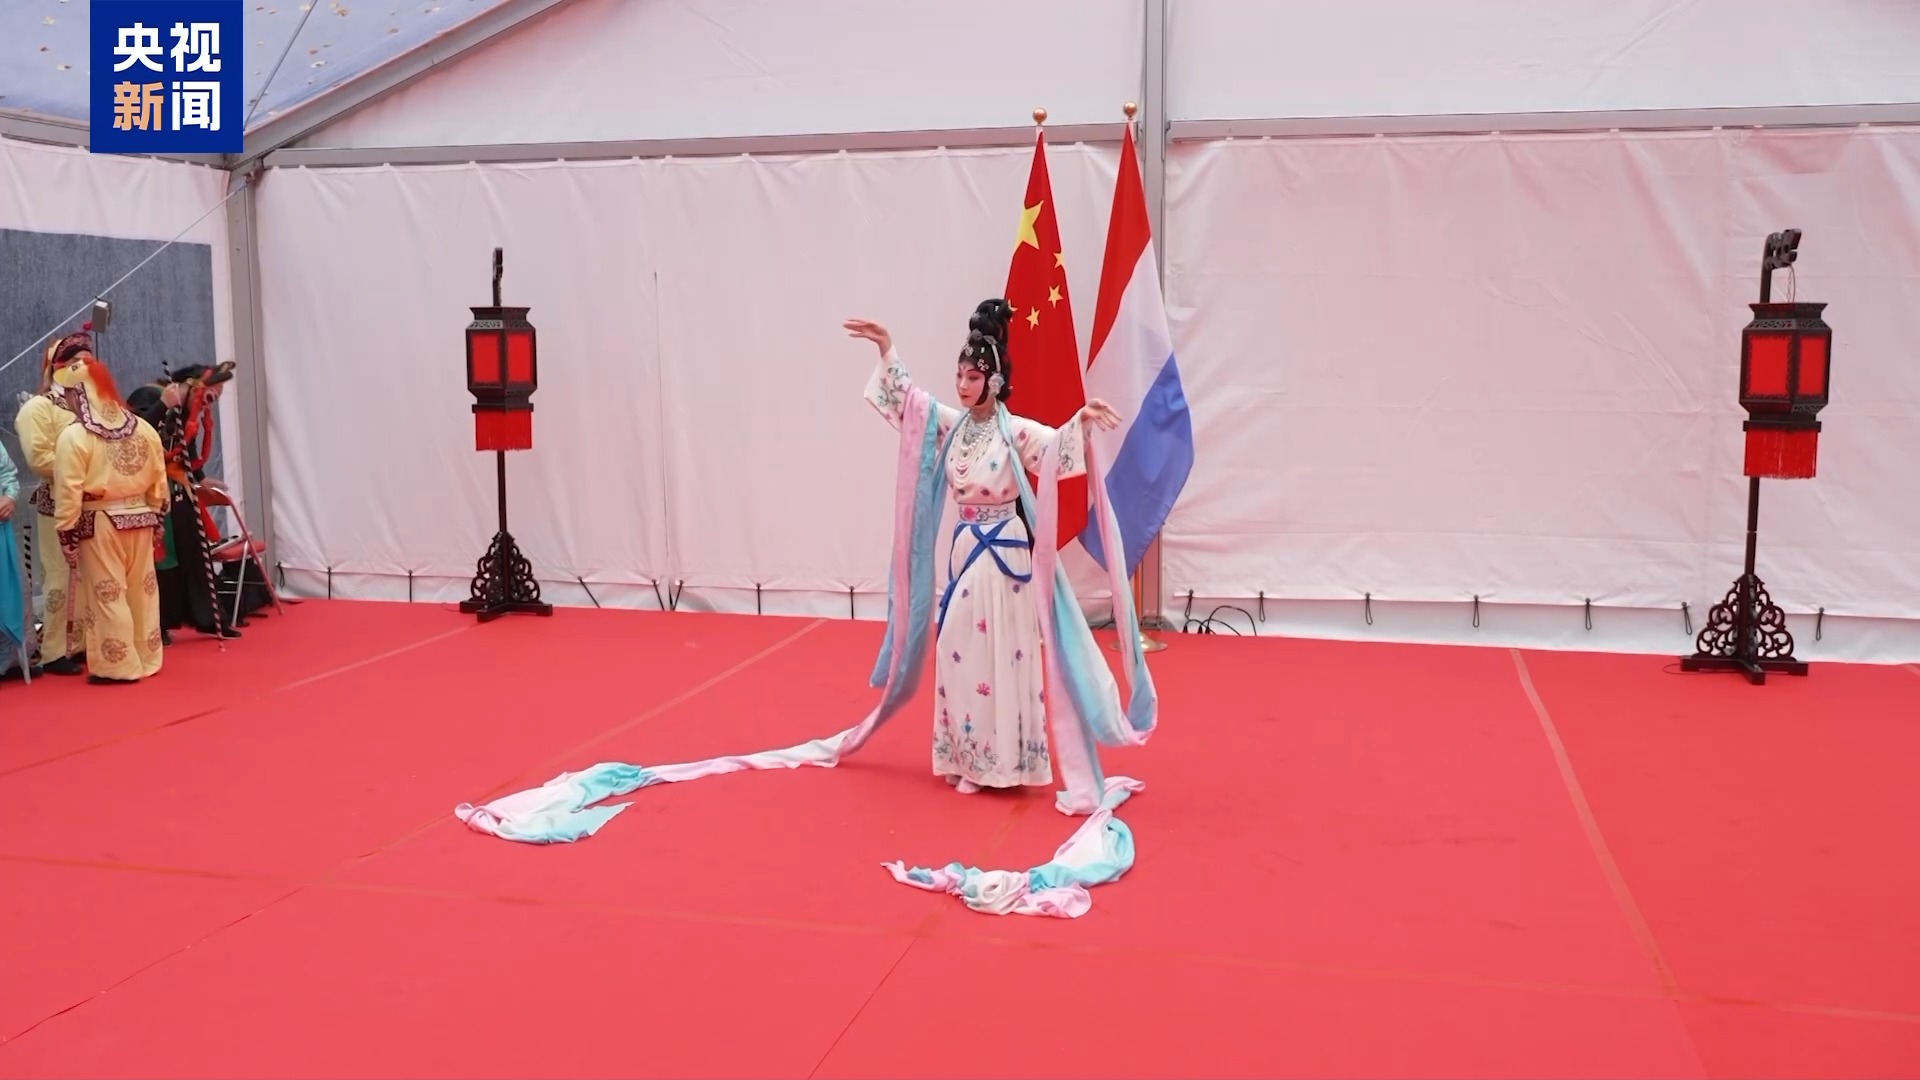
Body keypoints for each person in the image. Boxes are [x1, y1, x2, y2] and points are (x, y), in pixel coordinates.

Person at [845, 299, 1121, 793]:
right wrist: (886, 348)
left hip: (1002, 552)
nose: (962, 384)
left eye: (972, 377)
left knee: (998, 653)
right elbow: (911, 406)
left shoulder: (1014, 433)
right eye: (959, 375)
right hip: (966, 544)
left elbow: (1056, 449)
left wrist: (1080, 422)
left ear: (993, 381)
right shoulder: (953, 427)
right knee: (957, 646)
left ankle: (999, 763)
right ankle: (966, 754)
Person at [48, 333, 170, 685]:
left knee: (107, 593)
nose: (68, 400)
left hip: (100, 521)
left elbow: (69, 491)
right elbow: (159, 479)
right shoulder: (142, 428)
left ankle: (117, 665)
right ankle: (147, 657)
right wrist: (156, 515)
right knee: (143, 590)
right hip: (140, 518)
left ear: (80, 393)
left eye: (70, 393)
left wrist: (66, 532)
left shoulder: (75, 436)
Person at [13, 334, 80, 674]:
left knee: (89, 575)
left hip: (94, 502)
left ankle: (80, 643)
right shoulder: (38, 408)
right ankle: (55, 650)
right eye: (73, 363)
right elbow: (39, 458)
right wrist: (85, 468)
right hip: (58, 500)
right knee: (60, 575)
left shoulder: (90, 406)